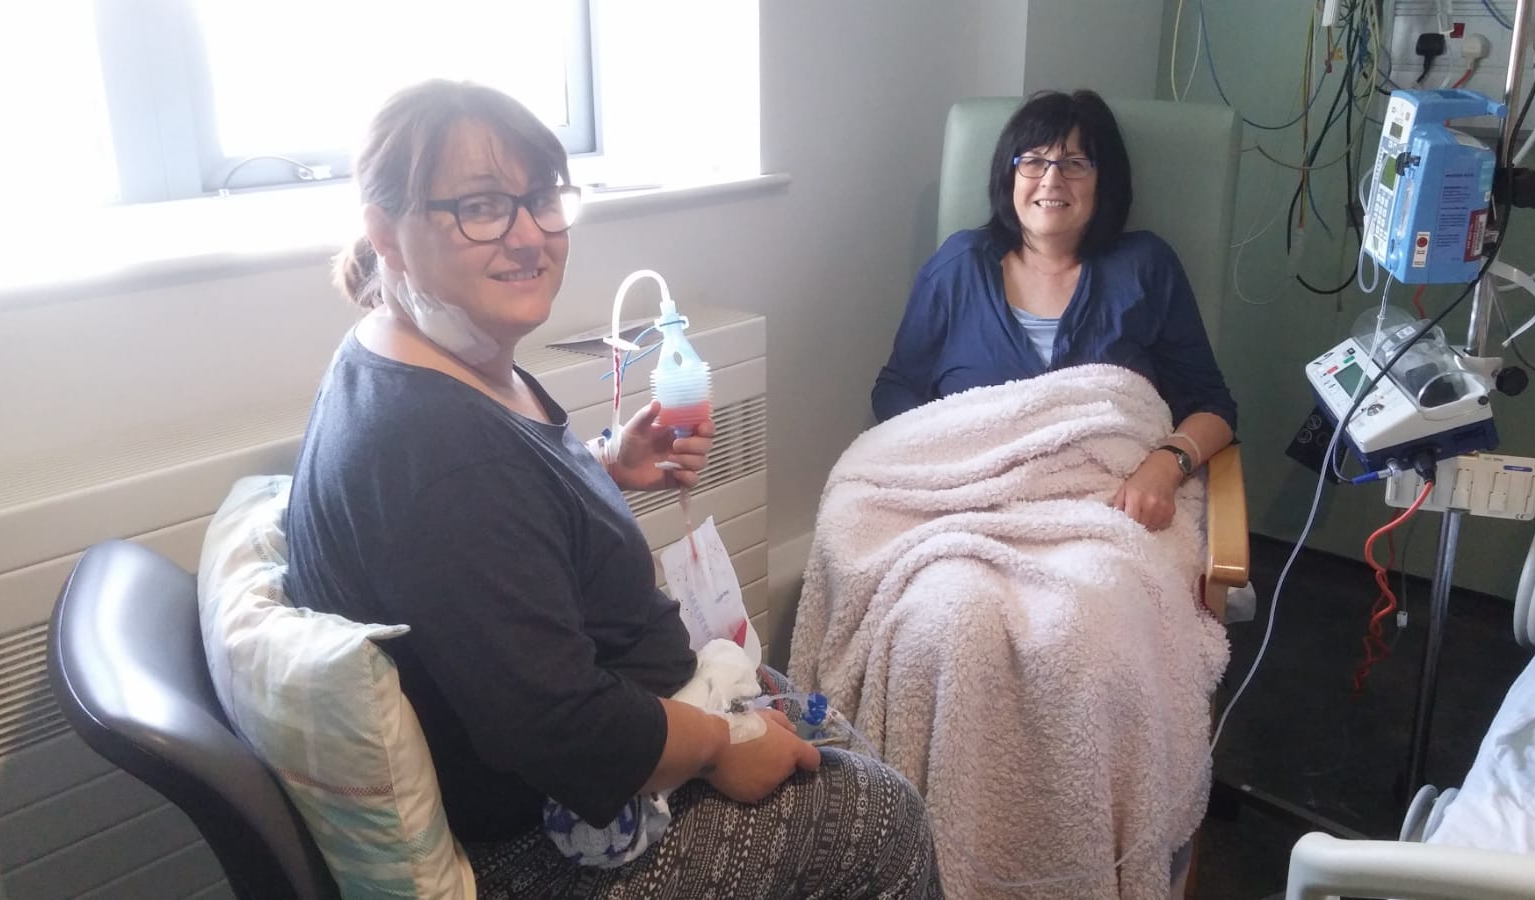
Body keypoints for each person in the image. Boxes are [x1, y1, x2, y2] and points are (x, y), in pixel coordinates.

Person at [284, 80, 941, 899]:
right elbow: (560, 727)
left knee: (818, 736)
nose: (528, 235)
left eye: (539, 198)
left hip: (609, 736)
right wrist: (716, 746)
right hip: (545, 839)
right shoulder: (437, 451)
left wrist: (602, 465)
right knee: (883, 816)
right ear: (386, 230)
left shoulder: (426, 350)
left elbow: (494, 553)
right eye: (481, 206)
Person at [872, 89, 1236, 530]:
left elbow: (1213, 405)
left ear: (1106, 181)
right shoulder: (958, 267)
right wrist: (950, 469)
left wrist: (1164, 465)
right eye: (1033, 161)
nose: (1051, 179)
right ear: (1009, 176)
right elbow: (896, 388)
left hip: (1106, 510)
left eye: (1074, 164)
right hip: (968, 507)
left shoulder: (1146, 267)